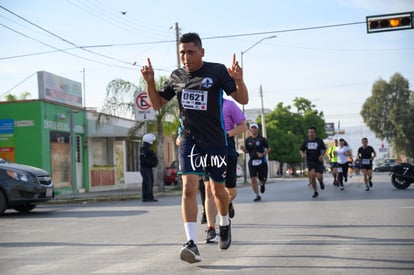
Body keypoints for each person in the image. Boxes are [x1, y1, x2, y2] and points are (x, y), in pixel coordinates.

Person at [141, 32, 248, 264]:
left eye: (190, 51)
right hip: (189, 140)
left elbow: (243, 99)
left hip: (216, 142)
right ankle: (191, 242)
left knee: (219, 192)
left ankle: (224, 223)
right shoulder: (177, 76)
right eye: (182, 53)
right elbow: (158, 103)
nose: (186, 57)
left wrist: (238, 80)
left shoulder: (217, 71)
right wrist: (150, 82)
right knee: (189, 188)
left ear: (201, 52)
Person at [204, 98, 247, 243]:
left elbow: (243, 126)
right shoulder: (202, 103)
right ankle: (211, 229)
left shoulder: (229, 105)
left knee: (231, 192)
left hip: (227, 150)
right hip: (207, 149)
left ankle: (227, 202)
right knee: (209, 190)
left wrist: (226, 134)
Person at [241, 123, 271, 202]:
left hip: (262, 162)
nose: (253, 129)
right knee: (253, 179)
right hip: (252, 161)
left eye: (255, 128)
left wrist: (263, 154)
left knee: (262, 179)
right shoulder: (248, 140)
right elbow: (247, 151)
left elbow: (268, 148)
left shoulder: (262, 139)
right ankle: (257, 195)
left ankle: (262, 184)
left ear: (257, 129)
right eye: (252, 128)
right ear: (250, 129)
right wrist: (243, 149)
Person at [300, 127, 327, 198]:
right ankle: (315, 192)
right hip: (310, 161)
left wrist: (322, 156)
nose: (311, 134)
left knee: (319, 176)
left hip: (318, 161)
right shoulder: (306, 141)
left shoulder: (319, 140)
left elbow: (324, 149)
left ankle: (321, 182)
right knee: (312, 176)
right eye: (309, 132)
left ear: (315, 133)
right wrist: (302, 154)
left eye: (312, 132)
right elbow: (301, 150)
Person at [139, 133, 158, 202]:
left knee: (146, 183)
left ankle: (146, 197)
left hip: (147, 168)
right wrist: (151, 162)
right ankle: (149, 197)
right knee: (149, 182)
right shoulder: (144, 148)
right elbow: (143, 158)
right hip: (146, 168)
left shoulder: (146, 147)